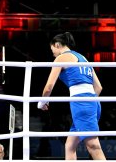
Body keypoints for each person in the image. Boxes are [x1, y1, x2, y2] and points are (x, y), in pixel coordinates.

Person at [37, 32, 106, 160]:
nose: (52, 53)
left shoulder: (61, 58)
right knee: (70, 145)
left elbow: (48, 87)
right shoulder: (83, 58)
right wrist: (89, 102)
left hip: (81, 103)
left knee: (93, 145)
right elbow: (99, 87)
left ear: (57, 45)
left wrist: (41, 102)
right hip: (92, 103)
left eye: (52, 49)